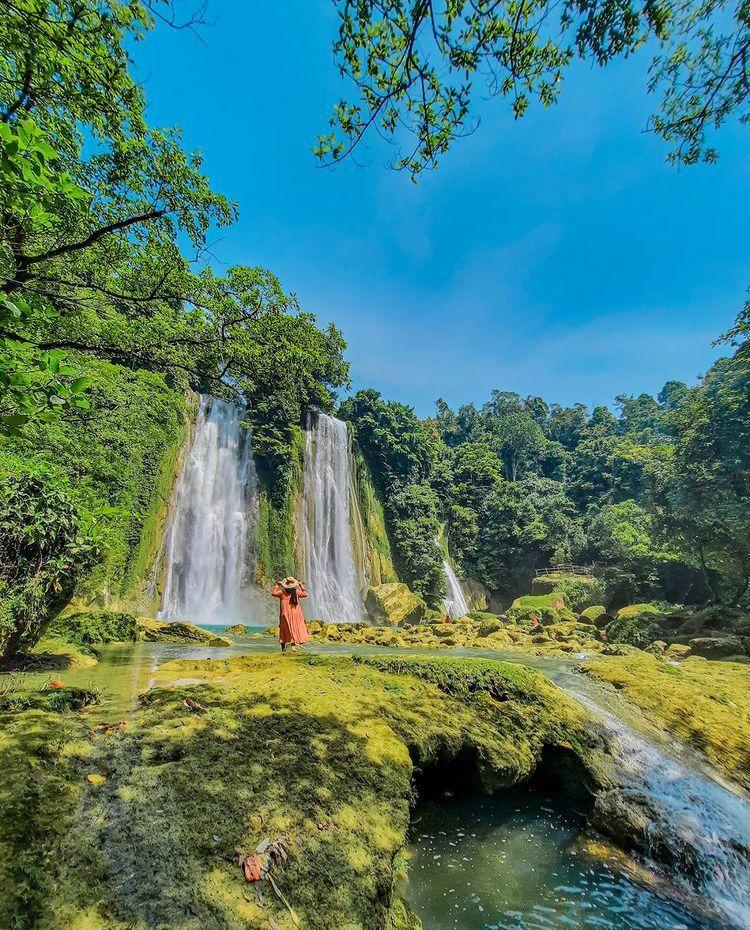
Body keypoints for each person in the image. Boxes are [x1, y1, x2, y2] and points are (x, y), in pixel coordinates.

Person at [272, 576, 310, 652]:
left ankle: (283, 648)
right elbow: (305, 594)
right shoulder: (296, 592)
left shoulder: (282, 592)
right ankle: (293, 646)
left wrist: (277, 585)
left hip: (284, 614)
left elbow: (273, 593)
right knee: (294, 629)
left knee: (284, 630)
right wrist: (301, 585)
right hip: (295, 614)